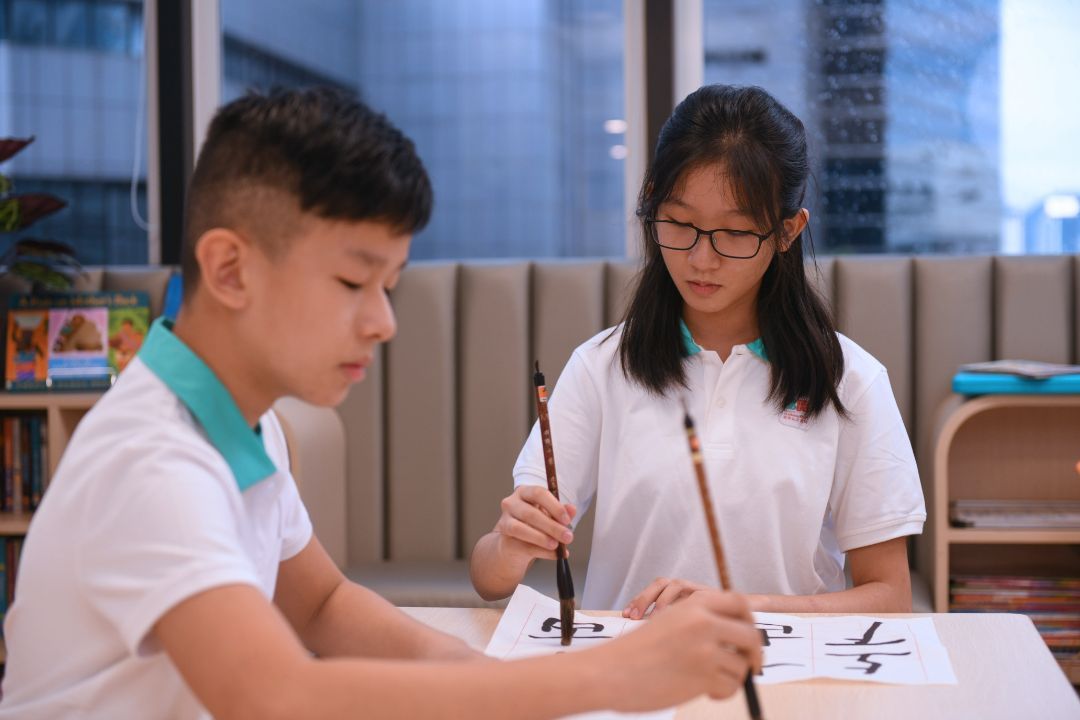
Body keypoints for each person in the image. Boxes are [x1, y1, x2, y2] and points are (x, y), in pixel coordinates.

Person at [0, 87, 762, 720]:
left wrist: (479, 676)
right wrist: (609, 677)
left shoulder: (242, 423)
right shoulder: (152, 461)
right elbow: (272, 697)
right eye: (352, 283)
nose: (383, 322)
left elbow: (323, 604)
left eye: (389, 286)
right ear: (229, 270)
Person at [470, 84, 926, 618]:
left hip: (779, 664)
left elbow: (890, 597)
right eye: (681, 224)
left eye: (734, 232)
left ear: (787, 231)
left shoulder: (849, 380)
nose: (702, 259)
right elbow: (487, 579)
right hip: (629, 662)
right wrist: (510, 546)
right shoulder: (602, 366)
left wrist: (738, 607)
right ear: (651, 204)